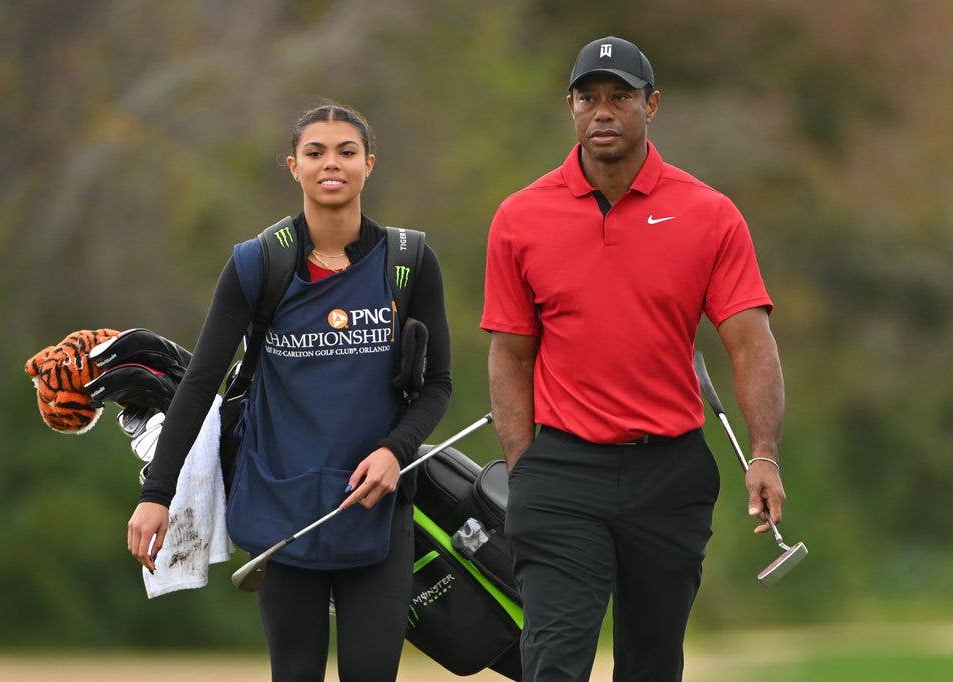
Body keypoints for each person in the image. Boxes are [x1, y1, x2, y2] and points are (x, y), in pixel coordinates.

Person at [480, 36, 786, 681]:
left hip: (669, 472)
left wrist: (764, 453)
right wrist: (523, 467)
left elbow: (749, 341)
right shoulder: (520, 217)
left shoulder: (709, 214)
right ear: (570, 106)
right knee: (553, 660)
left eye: (620, 97)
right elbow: (510, 355)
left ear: (652, 105)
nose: (603, 112)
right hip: (561, 470)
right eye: (588, 98)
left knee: (651, 662)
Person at [126, 102, 452, 680]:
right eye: (315, 152)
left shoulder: (409, 261)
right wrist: (157, 495)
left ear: (369, 164)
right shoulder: (258, 263)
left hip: (377, 509)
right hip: (282, 507)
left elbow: (438, 386)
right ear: (293, 166)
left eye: (347, 152)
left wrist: (394, 450)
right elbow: (200, 384)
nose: (332, 164)